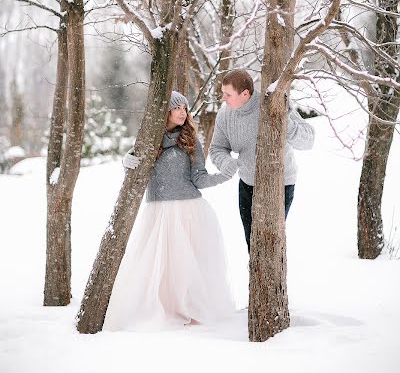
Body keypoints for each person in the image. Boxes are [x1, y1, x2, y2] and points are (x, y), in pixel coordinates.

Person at [103, 91, 235, 331]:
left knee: (187, 265)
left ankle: (191, 308)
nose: (183, 112)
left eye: (185, 108)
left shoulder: (190, 139)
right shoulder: (149, 139)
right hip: (158, 211)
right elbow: (136, 173)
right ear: (165, 111)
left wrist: (222, 177)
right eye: (178, 108)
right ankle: (164, 309)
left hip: (188, 209)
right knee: (159, 266)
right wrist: (126, 162)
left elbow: (199, 178)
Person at [209, 69, 315, 252]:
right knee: (253, 244)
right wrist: (225, 162)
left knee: (269, 244)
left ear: (245, 94)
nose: (223, 98)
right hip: (247, 183)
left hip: (280, 183)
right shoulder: (225, 116)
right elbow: (217, 148)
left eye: (228, 94)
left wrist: (284, 122)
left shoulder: (272, 105)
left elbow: (308, 141)